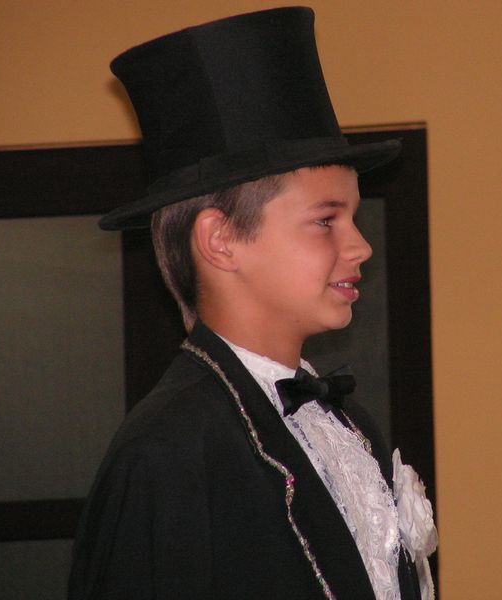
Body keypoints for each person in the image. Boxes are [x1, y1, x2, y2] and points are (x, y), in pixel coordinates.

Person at [68, 7, 437, 600]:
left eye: (354, 216)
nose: (361, 246)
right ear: (221, 241)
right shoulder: (166, 452)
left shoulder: (350, 426)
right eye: (326, 220)